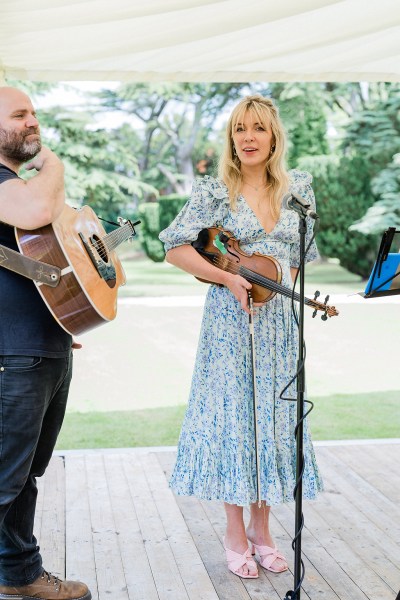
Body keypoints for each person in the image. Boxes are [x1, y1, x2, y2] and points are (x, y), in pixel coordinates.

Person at [159, 94, 323, 579]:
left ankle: (263, 529)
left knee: (271, 419)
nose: (248, 138)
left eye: (258, 129)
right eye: (239, 129)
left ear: (274, 136)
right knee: (234, 420)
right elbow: (173, 248)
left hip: (277, 327)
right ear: (232, 138)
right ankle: (235, 532)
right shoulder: (214, 191)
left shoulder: (299, 191)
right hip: (228, 323)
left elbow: (301, 261)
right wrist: (228, 278)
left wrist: (277, 283)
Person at [0, 86, 91, 600]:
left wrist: (61, 316)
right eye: (19, 115)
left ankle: (19, 574)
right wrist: (50, 162)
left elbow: (41, 257)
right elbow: (37, 209)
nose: (32, 122)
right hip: (12, 355)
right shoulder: (10, 184)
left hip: (41, 347)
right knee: (3, 478)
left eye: (35, 113)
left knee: (23, 474)